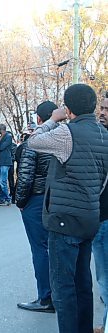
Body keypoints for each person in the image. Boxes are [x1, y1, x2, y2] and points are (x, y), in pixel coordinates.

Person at [27, 84, 108, 333]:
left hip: (64, 220)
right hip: (90, 217)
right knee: (82, 282)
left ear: (68, 108)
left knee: (63, 287)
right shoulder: (104, 134)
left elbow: (33, 142)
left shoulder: (66, 133)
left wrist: (52, 119)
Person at [15, 101, 56, 314]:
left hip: (37, 198)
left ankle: (45, 297)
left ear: (39, 119)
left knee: (40, 248)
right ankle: (58, 295)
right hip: (58, 199)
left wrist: (20, 202)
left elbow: (25, 174)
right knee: (56, 248)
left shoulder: (36, 140)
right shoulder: (65, 136)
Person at [93, 92, 108, 333]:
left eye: (107, 109)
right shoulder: (100, 136)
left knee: (105, 281)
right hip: (99, 218)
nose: (102, 112)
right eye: (102, 108)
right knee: (103, 280)